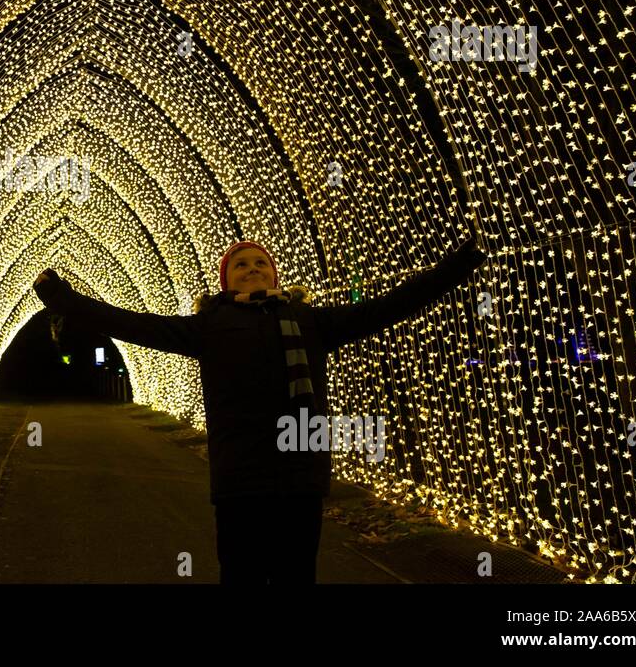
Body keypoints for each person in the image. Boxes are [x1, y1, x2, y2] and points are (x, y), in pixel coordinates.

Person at [32, 232, 489, 584]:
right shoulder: (208, 326)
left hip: (301, 471)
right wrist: (63, 299)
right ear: (225, 280)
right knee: (243, 574)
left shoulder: (309, 321)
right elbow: (131, 323)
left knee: (296, 575)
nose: (253, 269)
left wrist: (458, 266)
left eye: (260, 263)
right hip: (241, 476)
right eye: (242, 265)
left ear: (274, 274)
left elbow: (388, 307)